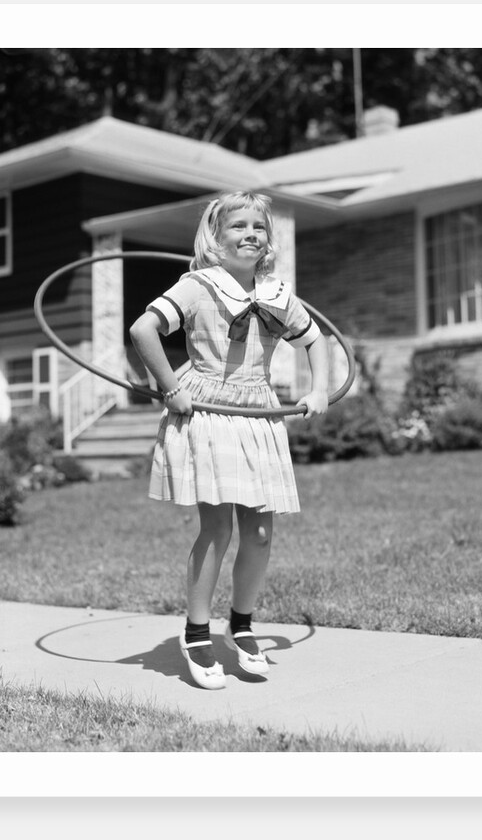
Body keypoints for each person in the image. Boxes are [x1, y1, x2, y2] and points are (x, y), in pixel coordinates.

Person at [129, 191, 329, 690]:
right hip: (208, 408)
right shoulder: (198, 286)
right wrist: (169, 388)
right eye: (238, 226)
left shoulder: (277, 295)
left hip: (258, 411)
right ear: (215, 239)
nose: (250, 234)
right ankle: (197, 632)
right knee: (217, 530)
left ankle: (241, 624)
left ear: (268, 241)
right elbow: (142, 329)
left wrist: (319, 387)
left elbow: (315, 339)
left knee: (260, 534)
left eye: (258, 227)